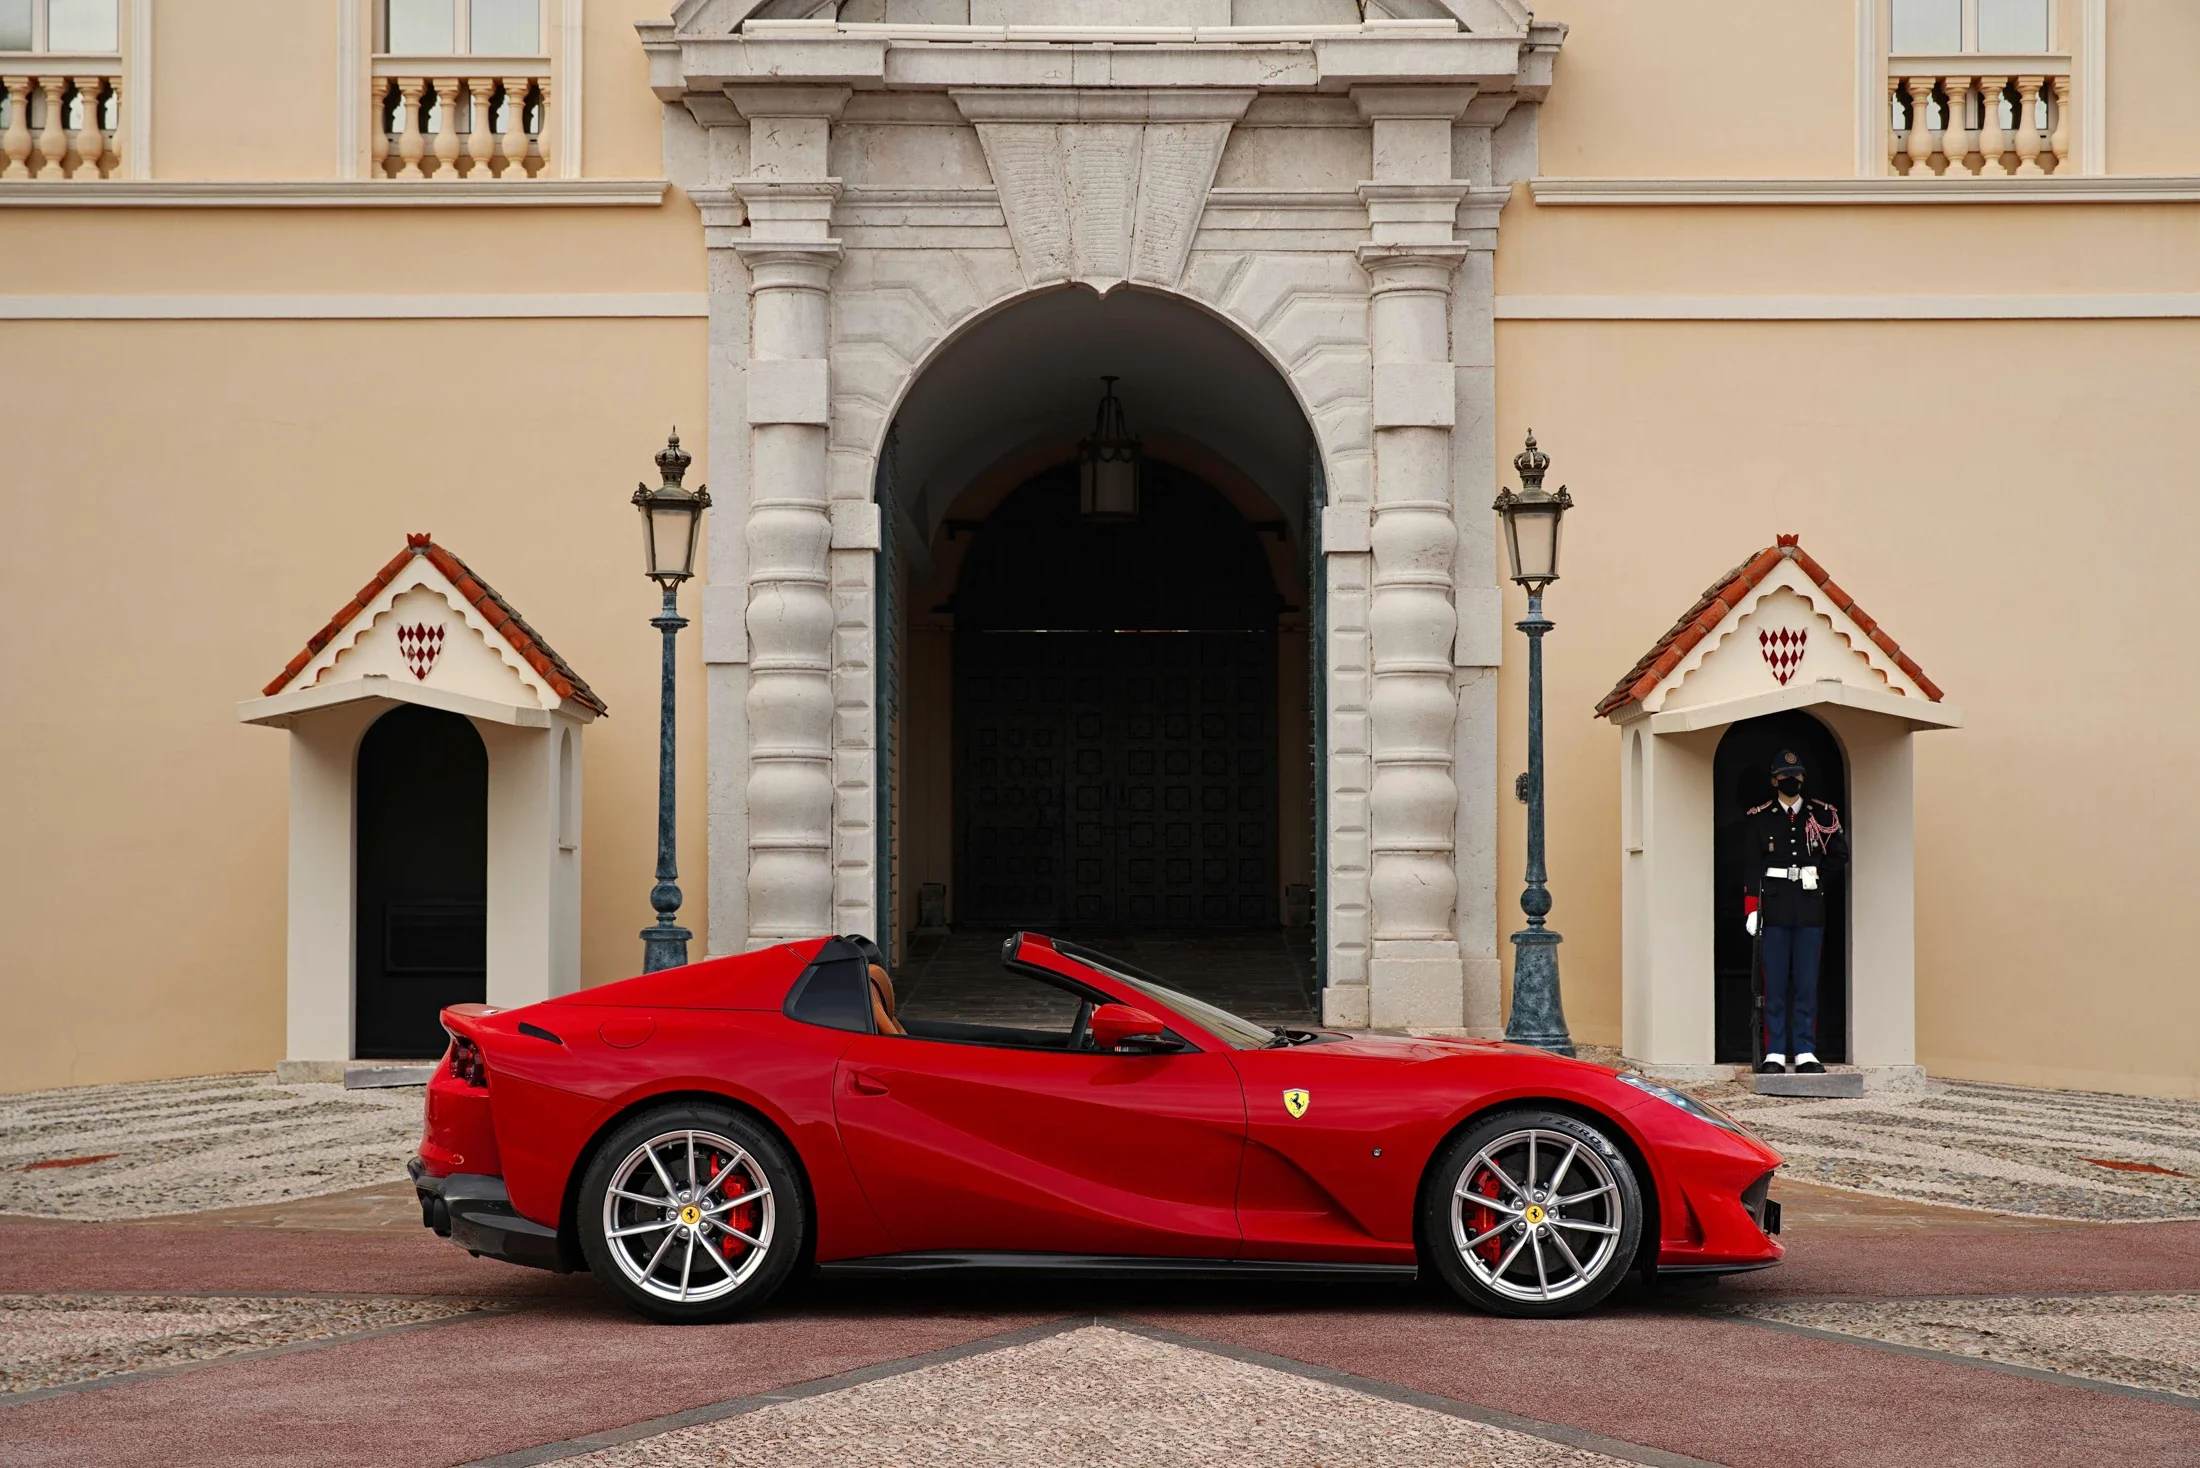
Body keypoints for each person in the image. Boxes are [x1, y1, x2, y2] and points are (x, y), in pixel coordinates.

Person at [1742, 750, 1848, 1074]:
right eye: (1786, 776)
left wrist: (1816, 880)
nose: (1792, 781)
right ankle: (1774, 1052)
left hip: (1809, 908)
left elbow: (1838, 856)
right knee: (1773, 983)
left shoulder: (1822, 815)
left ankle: (1804, 1051)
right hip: (1773, 908)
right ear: (1775, 780)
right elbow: (1750, 866)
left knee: (1806, 982)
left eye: (1797, 775)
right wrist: (1752, 909)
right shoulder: (1760, 817)